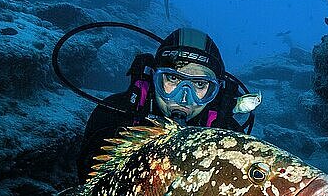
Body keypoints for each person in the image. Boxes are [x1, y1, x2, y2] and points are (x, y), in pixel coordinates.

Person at [77, 27, 255, 183]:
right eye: (173, 78)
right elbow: (86, 177)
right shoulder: (113, 113)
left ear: (215, 92)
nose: (184, 98)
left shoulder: (230, 136)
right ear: (155, 78)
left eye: (200, 84)